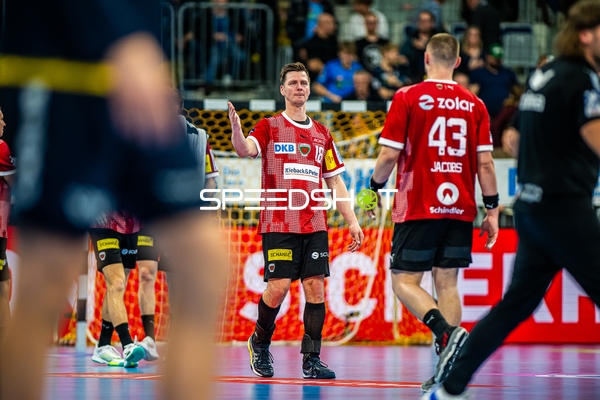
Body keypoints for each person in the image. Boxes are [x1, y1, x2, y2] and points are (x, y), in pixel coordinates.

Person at [0, 1, 227, 399]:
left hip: (142, 81)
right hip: (67, 78)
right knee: (48, 274)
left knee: (202, 258)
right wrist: (120, 39)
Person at [425, 2, 600, 398]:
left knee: (515, 304)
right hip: (564, 208)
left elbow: (513, 137)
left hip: (532, 208)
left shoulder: (545, 73)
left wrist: (551, 156)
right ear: (586, 34)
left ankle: (449, 388)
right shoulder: (582, 79)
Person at [367, 33, 499, 392]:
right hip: (460, 206)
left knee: (404, 282)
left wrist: (373, 188)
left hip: (419, 204)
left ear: (426, 58)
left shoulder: (408, 96)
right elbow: (486, 164)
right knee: (447, 283)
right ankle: (447, 372)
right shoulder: (475, 103)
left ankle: (446, 333)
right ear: (458, 62)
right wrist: (492, 209)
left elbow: (389, 155)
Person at [228, 62, 364, 379]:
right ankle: (260, 343)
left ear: (309, 89)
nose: (299, 87)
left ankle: (311, 359)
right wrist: (236, 131)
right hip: (278, 222)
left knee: (315, 288)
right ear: (283, 90)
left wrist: (353, 221)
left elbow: (335, 181)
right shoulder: (270, 126)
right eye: (293, 83)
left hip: (314, 223)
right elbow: (245, 150)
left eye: (303, 82)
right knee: (278, 288)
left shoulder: (322, 134)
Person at [135, 90, 219, 358]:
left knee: (178, 281)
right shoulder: (143, 132)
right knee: (146, 273)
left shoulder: (197, 137)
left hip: (181, 220)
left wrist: (205, 210)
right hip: (148, 219)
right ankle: (148, 338)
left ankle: (180, 338)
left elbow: (210, 178)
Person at [89, 211, 146, 367]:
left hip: (131, 225)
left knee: (118, 285)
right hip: (104, 224)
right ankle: (127, 345)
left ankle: (103, 345)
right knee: (117, 283)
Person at [469, 44, 520, 121]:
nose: (497, 60)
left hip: (504, 114)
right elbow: (472, 95)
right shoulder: (479, 73)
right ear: (488, 57)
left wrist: (512, 101)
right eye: (495, 58)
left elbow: (517, 92)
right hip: (484, 113)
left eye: (499, 58)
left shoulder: (508, 73)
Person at [0, 109, 15, 345]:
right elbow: (18, 183)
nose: (4, 123)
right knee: (2, 288)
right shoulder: (1, 147)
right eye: (0, 118)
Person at [401, 10, 441, 83]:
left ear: (432, 23)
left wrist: (425, 47)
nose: (422, 23)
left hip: (434, 74)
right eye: (420, 20)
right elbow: (403, 55)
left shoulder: (438, 38)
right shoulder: (411, 37)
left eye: (425, 21)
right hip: (413, 75)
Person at [301, 13, 339, 82]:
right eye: (332, 23)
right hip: (318, 81)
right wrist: (334, 72)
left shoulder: (333, 41)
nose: (334, 26)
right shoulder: (312, 43)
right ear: (322, 24)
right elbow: (313, 65)